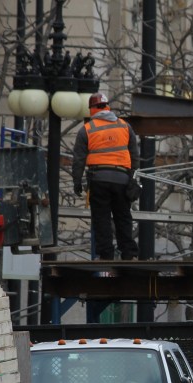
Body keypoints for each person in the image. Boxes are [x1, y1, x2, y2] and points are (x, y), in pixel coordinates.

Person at [71, 92, 140, 261]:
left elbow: (79, 159)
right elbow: (134, 155)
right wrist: (132, 177)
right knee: (123, 216)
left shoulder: (87, 129)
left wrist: (77, 181)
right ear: (107, 107)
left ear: (92, 109)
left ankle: (106, 254)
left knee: (101, 218)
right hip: (122, 179)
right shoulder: (125, 126)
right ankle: (128, 252)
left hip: (99, 180)